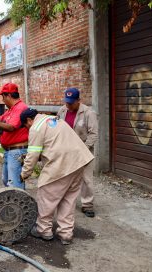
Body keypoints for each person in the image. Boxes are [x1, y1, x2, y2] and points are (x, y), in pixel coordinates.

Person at [20, 109, 94, 245]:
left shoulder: (36, 127)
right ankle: (65, 234)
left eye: (25, 126)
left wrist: (24, 174)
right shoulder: (55, 120)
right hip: (79, 161)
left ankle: (44, 230)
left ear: (29, 120)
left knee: (46, 195)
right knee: (68, 199)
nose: (27, 128)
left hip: (62, 163)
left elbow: (33, 155)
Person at [57, 88, 98, 218]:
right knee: (66, 176)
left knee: (86, 179)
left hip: (84, 150)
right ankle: (67, 200)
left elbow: (93, 134)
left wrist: (84, 149)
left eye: (71, 103)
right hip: (66, 150)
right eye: (66, 102)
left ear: (79, 100)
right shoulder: (62, 110)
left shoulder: (88, 113)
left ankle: (87, 205)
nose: (68, 105)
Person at [0, 83, 29, 189]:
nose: (2, 100)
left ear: (8, 95)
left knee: (15, 184)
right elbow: (1, 119)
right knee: (6, 180)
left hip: (17, 151)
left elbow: (11, 127)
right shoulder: (11, 109)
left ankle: (18, 204)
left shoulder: (20, 108)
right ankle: (16, 201)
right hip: (10, 151)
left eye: (3, 97)